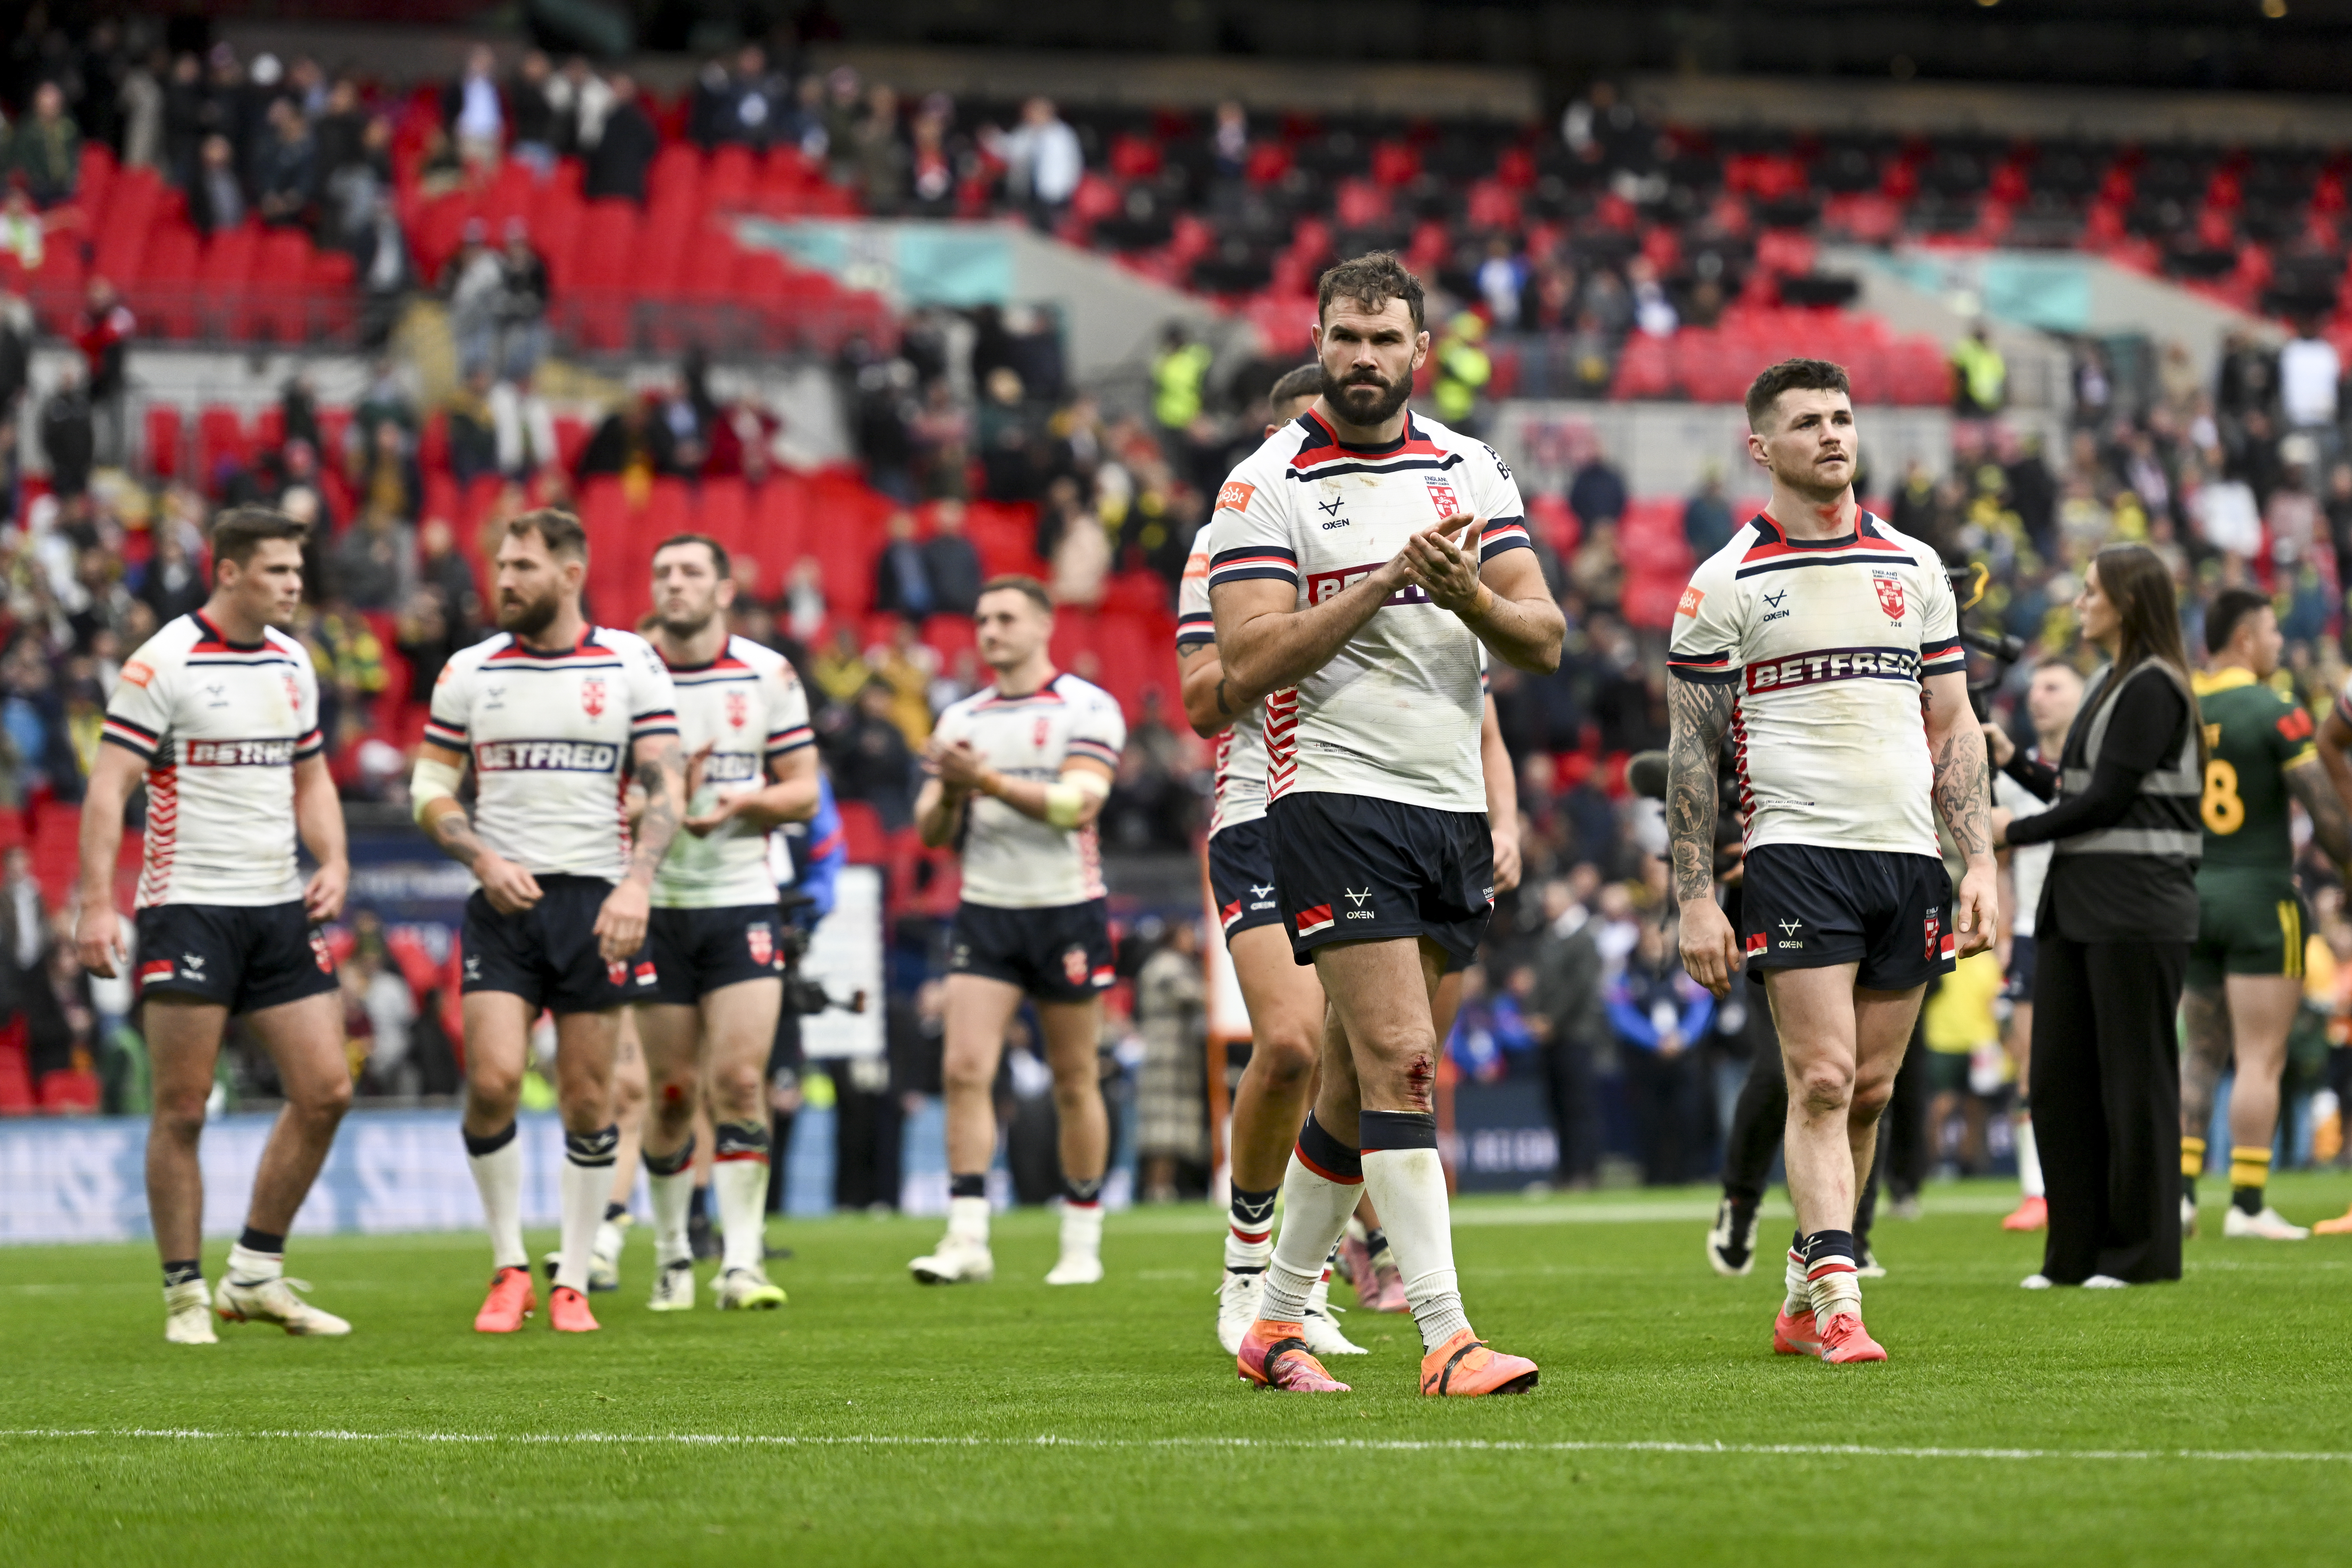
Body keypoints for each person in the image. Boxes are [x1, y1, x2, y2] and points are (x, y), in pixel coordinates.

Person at [1211, 251, 1562, 1396]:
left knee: (1358, 1092)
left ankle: (1270, 1323)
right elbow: (1246, 659)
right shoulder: (1265, 484)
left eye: (1384, 340)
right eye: (1345, 339)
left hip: (1448, 804)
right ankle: (1447, 1336)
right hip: (1335, 798)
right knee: (1404, 1067)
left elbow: (1543, 636)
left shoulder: (1472, 466)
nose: (1363, 360)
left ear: (1422, 349)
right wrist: (1373, 588)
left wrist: (1467, 597)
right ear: (1318, 340)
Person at [1668, 357, 1996, 1363]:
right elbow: (1691, 752)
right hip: (1794, 853)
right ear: (1759, 447)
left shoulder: (1913, 566)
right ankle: (1839, 1298)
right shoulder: (1722, 582)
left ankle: (1802, 1288)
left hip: (1907, 858)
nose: (1831, 434)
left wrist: (1977, 861)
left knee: (1866, 1093)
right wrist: (1690, 896)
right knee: (1816, 1076)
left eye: (1842, 417)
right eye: (1806, 421)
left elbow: (1954, 723)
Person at [74, 506, 354, 1344]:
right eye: (277, 570)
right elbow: (106, 786)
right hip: (188, 903)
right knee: (185, 1107)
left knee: (327, 1090)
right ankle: (185, 1293)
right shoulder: (164, 662)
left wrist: (333, 860)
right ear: (227, 572)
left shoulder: (294, 661)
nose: (295, 584)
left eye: (298, 571)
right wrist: (95, 902)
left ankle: (255, 1274)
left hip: (276, 906)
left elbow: (312, 778)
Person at [409, 509, 686, 1334]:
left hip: (598, 904)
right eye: (501, 564)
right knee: (493, 1079)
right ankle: (507, 1267)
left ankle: (570, 1276)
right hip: (502, 900)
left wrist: (639, 881)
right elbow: (429, 785)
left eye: (524, 566)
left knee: (588, 1097)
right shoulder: (469, 669)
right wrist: (481, 859)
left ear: (571, 574)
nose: (505, 579)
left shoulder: (631, 663)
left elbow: (668, 786)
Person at [1993, 546, 2202, 1289]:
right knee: (2057, 1082)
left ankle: (2139, 1254)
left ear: (2127, 603)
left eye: (2090, 592)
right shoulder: (2113, 686)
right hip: (2083, 909)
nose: (2079, 603)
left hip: (2137, 909)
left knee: (2133, 1083)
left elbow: (2107, 800)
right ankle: (2073, 1254)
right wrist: (2015, 761)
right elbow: (2082, 787)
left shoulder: (2152, 687)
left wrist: (2009, 831)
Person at [907, 576, 1126, 1286]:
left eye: (1005, 617)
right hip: (987, 907)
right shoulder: (959, 719)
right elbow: (932, 831)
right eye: (980, 618)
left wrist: (990, 782)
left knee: (1073, 1077)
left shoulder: (1087, 707)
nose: (989, 630)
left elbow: (1077, 805)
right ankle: (967, 1235)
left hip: (1066, 905)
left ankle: (1082, 1239)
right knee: (965, 1068)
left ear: (1043, 625)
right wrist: (952, 788)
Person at [634, 534, 818, 1310]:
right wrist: (666, 800)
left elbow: (804, 791)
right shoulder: (623, 671)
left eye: (689, 572)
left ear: (723, 588)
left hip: (742, 896)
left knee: (740, 1081)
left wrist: (742, 803)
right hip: (656, 904)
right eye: (662, 572)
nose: (673, 584)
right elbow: (603, 797)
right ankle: (673, 1250)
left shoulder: (768, 673)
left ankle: (741, 1261)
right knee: (673, 1091)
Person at [2174, 589, 2350, 1238]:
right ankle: (2247, 1203)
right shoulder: (2274, 708)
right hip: (2260, 896)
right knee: (2260, 1057)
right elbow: (2324, 810)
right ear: (2246, 639)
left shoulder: (2183, 705)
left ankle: (2184, 1196)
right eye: (2273, 633)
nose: (2280, 644)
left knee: (2200, 1053)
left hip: (2193, 894)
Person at [1987, 659, 2084, 1233]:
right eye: (2036, 688)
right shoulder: (2008, 774)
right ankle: (2036, 1190)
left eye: (2055, 686)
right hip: (2032, 931)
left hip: (2088, 921)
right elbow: (1996, 860)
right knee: (2031, 1061)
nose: (2039, 698)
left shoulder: (2095, 766)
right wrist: (2002, 932)